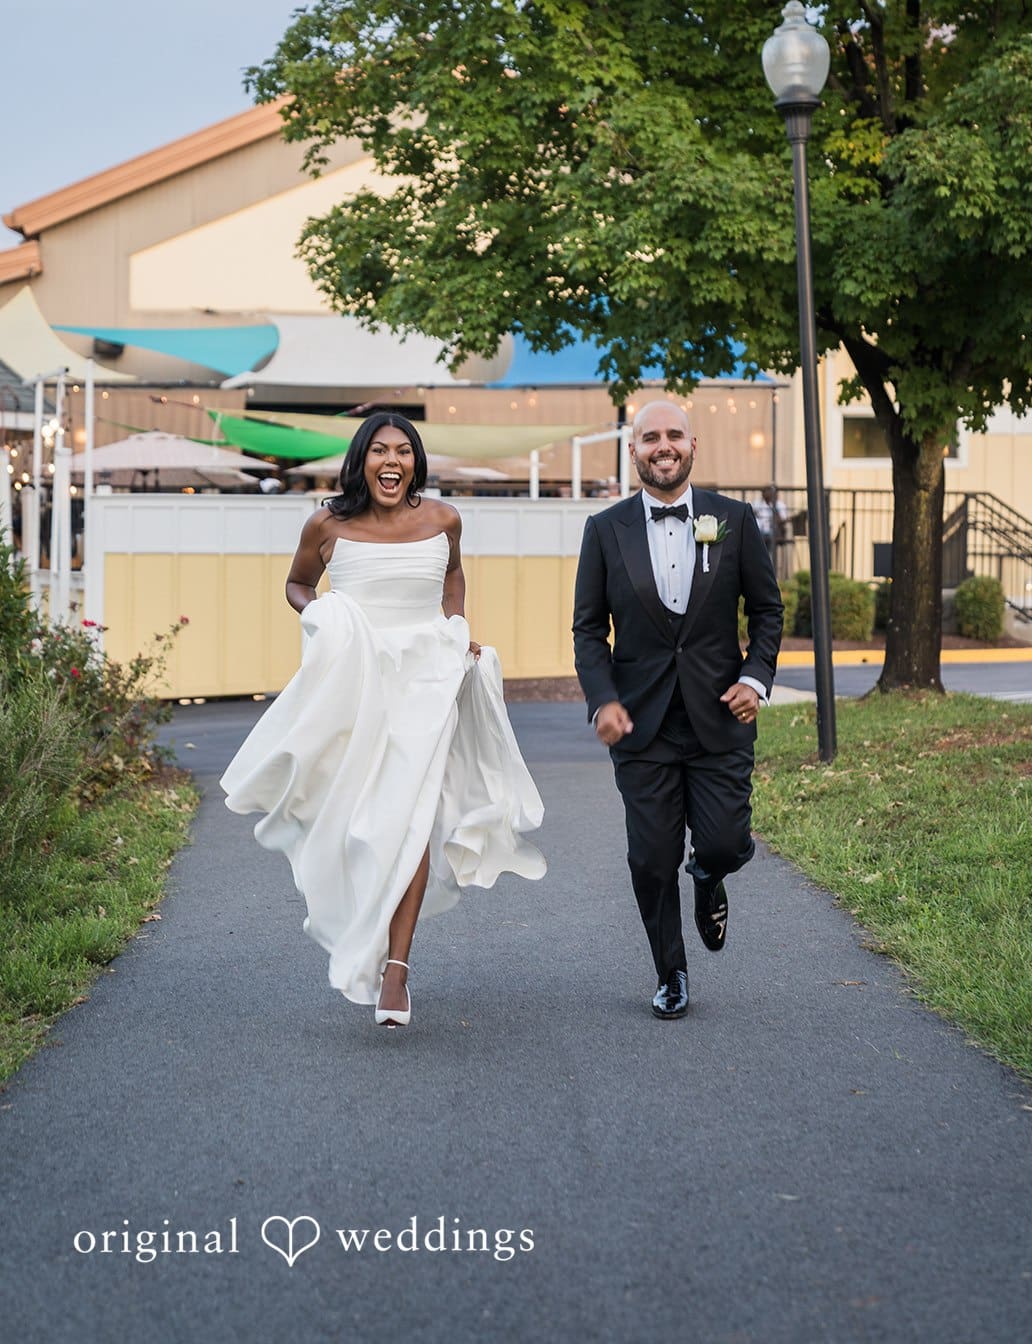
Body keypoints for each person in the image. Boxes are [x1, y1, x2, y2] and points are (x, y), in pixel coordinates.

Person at [222, 412, 546, 1026]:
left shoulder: (444, 520)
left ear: (415, 463)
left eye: (403, 451)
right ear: (361, 461)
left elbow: (453, 578)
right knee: (360, 825)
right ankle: (358, 927)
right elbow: (296, 586)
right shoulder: (326, 524)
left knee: (410, 816)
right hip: (357, 685)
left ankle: (396, 969)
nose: (391, 460)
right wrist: (324, 619)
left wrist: (459, 629)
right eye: (379, 451)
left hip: (427, 683)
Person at [572, 401, 783, 1021]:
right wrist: (602, 699)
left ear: (694, 445)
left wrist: (756, 676)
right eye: (649, 438)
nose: (662, 447)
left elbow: (768, 613)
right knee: (651, 859)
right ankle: (671, 972)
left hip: (721, 715)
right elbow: (588, 630)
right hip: (641, 725)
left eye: (673, 436)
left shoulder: (736, 520)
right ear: (633, 451)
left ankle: (710, 878)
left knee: (721, 842)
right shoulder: (605, 530)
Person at [753, 483, 788, 570]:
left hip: (773, 533)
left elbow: (782, 520)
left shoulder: (779, 505)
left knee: (769, 549)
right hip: (758, 532)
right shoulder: (757, 503)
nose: (767, 494)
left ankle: (768, 568)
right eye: (765, 492)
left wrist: (773, 506)